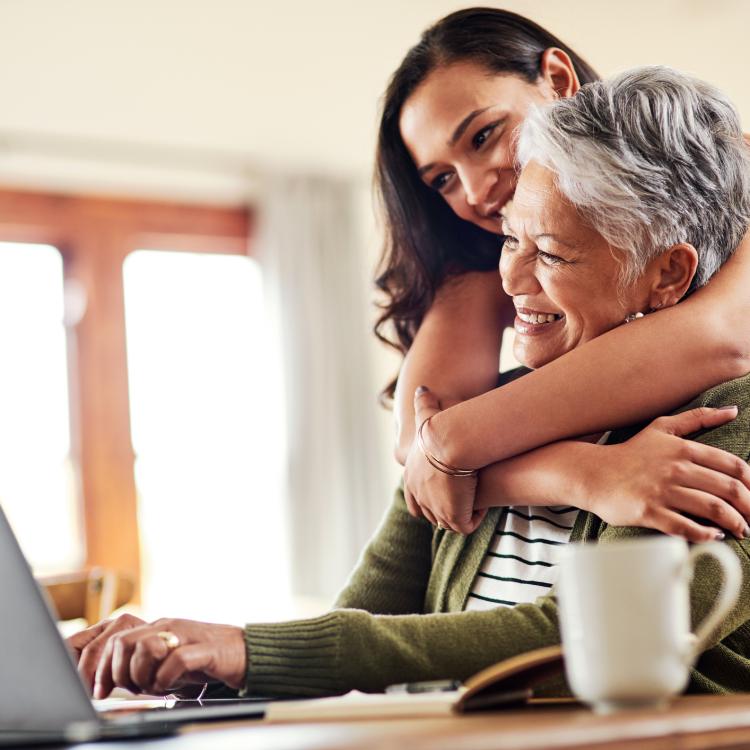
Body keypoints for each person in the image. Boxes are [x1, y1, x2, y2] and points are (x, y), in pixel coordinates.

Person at [69, 66, 750, 700]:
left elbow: (574, 636)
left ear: (667, 274)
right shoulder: (493, 410)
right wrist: (192, 663)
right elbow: (367, 611)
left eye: (549, 252)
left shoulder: (727, 419)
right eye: (511, 240)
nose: (512, 282)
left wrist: (245, 649)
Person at [373, 8, 750, 537]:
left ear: (555, 79)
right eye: (443, 179)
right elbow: (420, 445)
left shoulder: (723, 164)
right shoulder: (479, 271)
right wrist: (584, 475)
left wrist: (457, 443)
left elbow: (723, 338)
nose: (477, 192)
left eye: (483, 136)